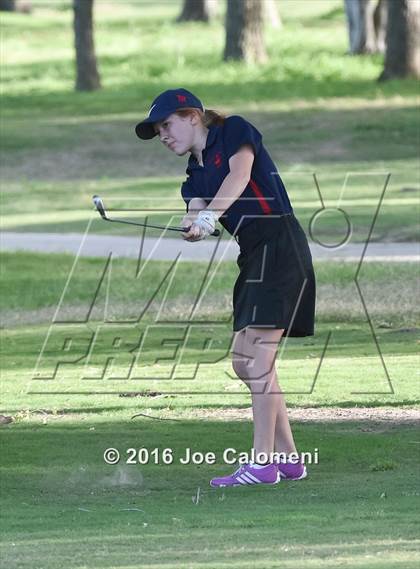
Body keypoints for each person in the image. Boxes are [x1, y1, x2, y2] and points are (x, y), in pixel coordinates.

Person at [135, 88, 316, 488]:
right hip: (253, 256)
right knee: (243, 362)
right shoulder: (193, 175)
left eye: (167, 125)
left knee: (258, 362)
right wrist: (193, 225)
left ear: (193, 116)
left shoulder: (233, 130)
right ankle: (289, 461)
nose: (163, 135)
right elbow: (195, 209)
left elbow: (240, 175)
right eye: (157, 131)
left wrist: (210, 216)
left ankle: (262, 465)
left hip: (281, 245)